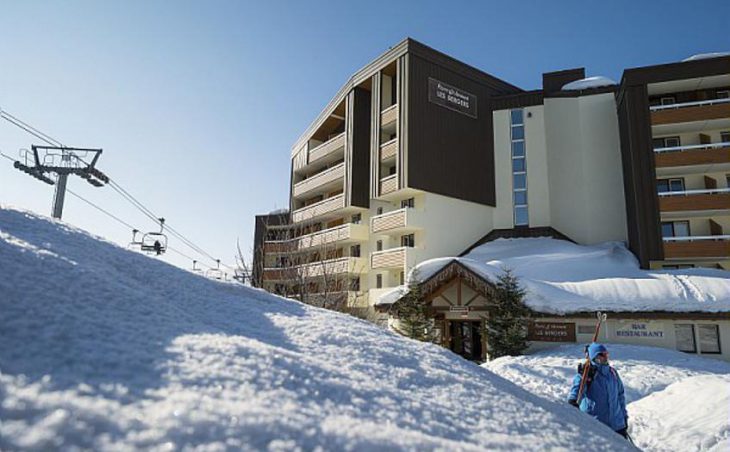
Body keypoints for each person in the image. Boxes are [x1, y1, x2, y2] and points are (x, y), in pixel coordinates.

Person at [567, 343, 629, 439]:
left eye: (606, 354)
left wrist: (623, 417)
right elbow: (576, 391)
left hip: (617, 424)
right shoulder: (587, 373)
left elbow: (620, 395)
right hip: (597, 425)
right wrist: (573, 400)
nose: (605, 357)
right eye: (602, 354)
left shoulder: (612, 372)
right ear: (594, 356)